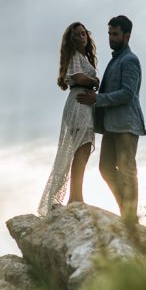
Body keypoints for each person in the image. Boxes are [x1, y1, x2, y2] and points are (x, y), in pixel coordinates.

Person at [77, 15, 145, 223]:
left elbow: (127, 93)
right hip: (111, 126)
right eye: (109, 33)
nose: (111, 38)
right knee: (105, 168)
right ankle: (126, 210)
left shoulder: (130, 60)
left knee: (127, 171)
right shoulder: (115, 60)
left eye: (115, 34)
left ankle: (130, 218)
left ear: (126, 35)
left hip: (126, 124)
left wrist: (97, 99)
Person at [37, 22, 100, 214]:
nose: (82, 37)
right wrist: (95, 81)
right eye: (78, 35)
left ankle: (76, 195)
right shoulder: (74, 55)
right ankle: (75, 197)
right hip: (79, 104)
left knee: (84, 150)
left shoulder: (83, 56)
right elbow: (79, 78)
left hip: (83, 104)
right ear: (72, 39)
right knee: (82, 150)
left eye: (84, 33)